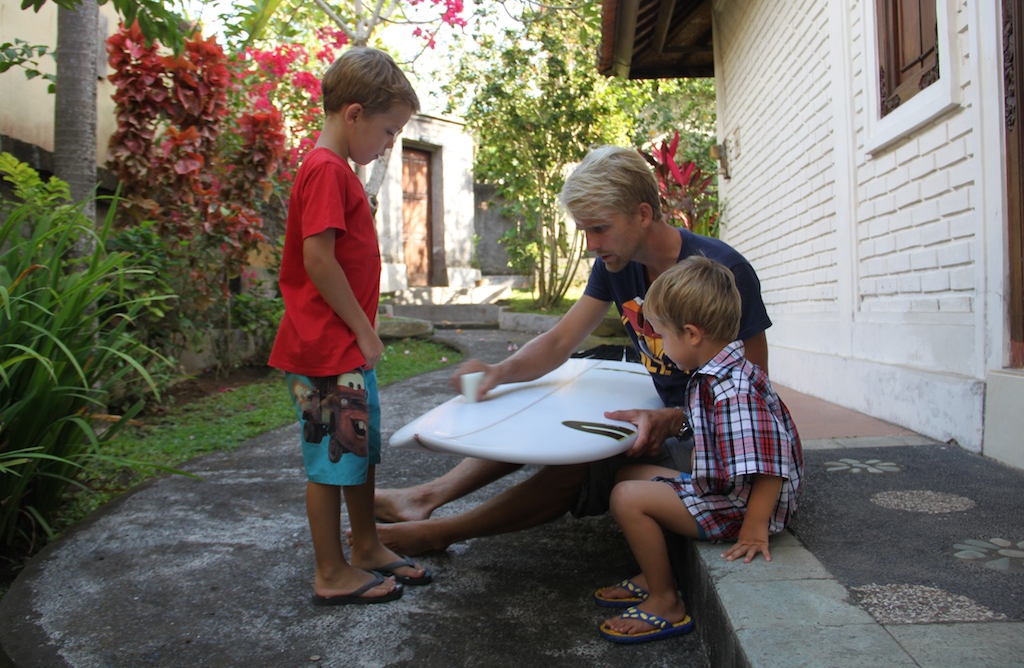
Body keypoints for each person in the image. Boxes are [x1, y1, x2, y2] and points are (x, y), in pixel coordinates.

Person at [372, 145, 773, 556]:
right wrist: (498, 372)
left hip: (713, 441)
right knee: (543, 402)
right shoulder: (615, 264)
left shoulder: (722, 271)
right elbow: (561, 341)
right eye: (584, 230)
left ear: (643, 214)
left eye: (599, 228)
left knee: (583, 463)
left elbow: (755, 389)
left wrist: (675, 419)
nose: (590, 244)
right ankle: (423, 498)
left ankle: (444, 532)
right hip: (665, 417)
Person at [268, 46, 431, 605]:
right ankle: (331, 571)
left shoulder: (334, 171)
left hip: (342, 351)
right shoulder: (325, 170)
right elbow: (318, 260)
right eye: (389, 132)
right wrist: (364, 329)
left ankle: (365, 546)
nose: (389, 144)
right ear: (354, 114)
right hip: (326, 350)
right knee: (331, 459)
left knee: (356, 451)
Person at [595, 256, 803, 644]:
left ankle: (665, 601)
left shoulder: (732, 391)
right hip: (724, 488)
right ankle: (656, 569)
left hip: (740, 508)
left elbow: (773, 465)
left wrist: (755, 528)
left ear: (692, 334)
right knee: (629, 474)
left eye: (663, 337)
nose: (660, 348)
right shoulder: (717, 373)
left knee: (626, 497)